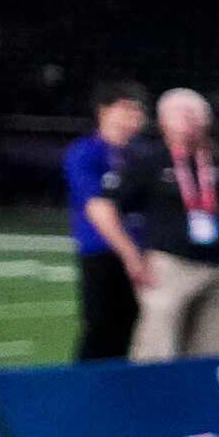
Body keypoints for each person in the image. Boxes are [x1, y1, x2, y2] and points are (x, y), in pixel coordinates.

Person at [91, 87, 219, 361]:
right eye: (178, 114)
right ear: (162, 122)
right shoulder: (148, 161)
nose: (187, 120)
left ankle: (201, 402)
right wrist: (131, 256)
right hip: (169, 265)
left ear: (206, 120)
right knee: (158, 349)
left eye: (193, 113)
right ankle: (152, 402)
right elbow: (102, 207)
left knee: (214, 351)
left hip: (217, 265)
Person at [63, 83, 149, 361]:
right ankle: (85, 392)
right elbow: (97, 207)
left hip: (146, 252)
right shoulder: (86, 152)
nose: (133, 116)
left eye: (138, 110)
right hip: (102, 251)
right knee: (100, 328)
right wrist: (129, 253)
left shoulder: (143, 155)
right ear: (103, 111)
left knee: (136, 329)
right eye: (125, 108)